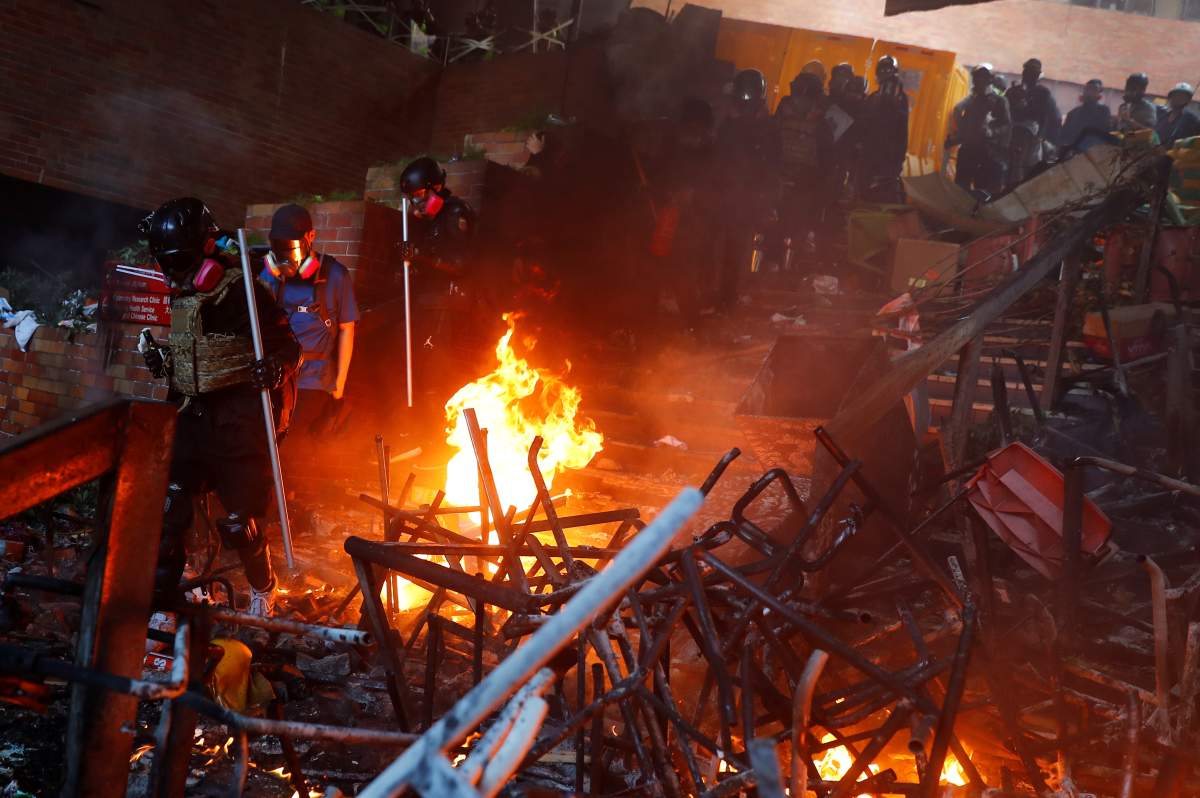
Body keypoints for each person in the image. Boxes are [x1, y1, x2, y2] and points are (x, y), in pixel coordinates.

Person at [138, 197, 302, 616]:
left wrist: (276, 367)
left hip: (237, 423)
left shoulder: (243, 291)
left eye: (180, 262)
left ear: (208, 248)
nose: (174, 273)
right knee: (167, 515)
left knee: (240, 524)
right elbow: (190, 351)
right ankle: (161, 605)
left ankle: (263, 588)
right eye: (167, 264)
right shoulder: (182, 296)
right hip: (191, 418)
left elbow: (289, 346)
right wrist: (166, 362)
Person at [259, 204, 358, 447]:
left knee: (299, 452)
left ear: (310, 236)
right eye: (279, 246)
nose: (285, 256)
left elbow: (347, 329)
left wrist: (339, 386)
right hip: (276, 381)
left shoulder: (336, 275)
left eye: (291, 246)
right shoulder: (268, 275)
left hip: (314, 385)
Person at [715, 68, 780, 309]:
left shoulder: (765, 127)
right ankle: (723, 294)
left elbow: (772, 164)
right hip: (729, 194)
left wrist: (766, 199)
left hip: (746, 196)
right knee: (726, 247)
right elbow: (718, 156)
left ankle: (729, 295)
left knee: (739, 248)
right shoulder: (732, 123)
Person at [776, 70, 834, 262]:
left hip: (789, 185)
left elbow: (770, 144)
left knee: (783, 230)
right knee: (797, 232)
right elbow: (827, 160)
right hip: (800, 187)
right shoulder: (821, 121)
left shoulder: (783, 112)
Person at [947, 64, 1012, 198]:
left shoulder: (999, 101)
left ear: (988, 81)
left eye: (979, 81)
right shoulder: (973, 101)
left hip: (986, 153)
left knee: (981, 191)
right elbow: (967, 127)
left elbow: (1006, 125)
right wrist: (954, 141)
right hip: (968, 150)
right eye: (975, 81)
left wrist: (992, 132)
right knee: (960, 189)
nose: (975, 84)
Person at [857, 55, 909, 203]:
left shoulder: (899, 99)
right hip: (870, 157)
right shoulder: (873, 98)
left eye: (888, 70)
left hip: (887, 159)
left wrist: (898, 160)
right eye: (882, 70)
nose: (885, 74)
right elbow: (863, 125)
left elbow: (901, 130)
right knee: (865, 197)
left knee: (881, 197)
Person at [1005, 58, 1061, 187]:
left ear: (1037, 75)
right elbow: (1005, 113)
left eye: (1033, 73)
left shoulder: (1043, 93)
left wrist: (1040, 137)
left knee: (1028, 169)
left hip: (1031, 134)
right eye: (1027, 71)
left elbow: (1045, 116)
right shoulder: (1013, 91)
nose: (1029, 75)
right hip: (1011, 133)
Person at [1059, 79, 1114, 156]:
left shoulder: (1103, 111)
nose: (1089, 92)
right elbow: (1063, 136)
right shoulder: (1073, 113)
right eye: (1087, 89)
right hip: (1070, 154)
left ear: (1099, 96)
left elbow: (1105, 133)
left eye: (1094, 90)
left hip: (1091, 155)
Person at [1155, 83, 1200, 147]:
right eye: (1175, 96)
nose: (1176, 99)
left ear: (1188, 101)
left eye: (1182, 97)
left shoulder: (1191, 120)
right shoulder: (1162, 115)